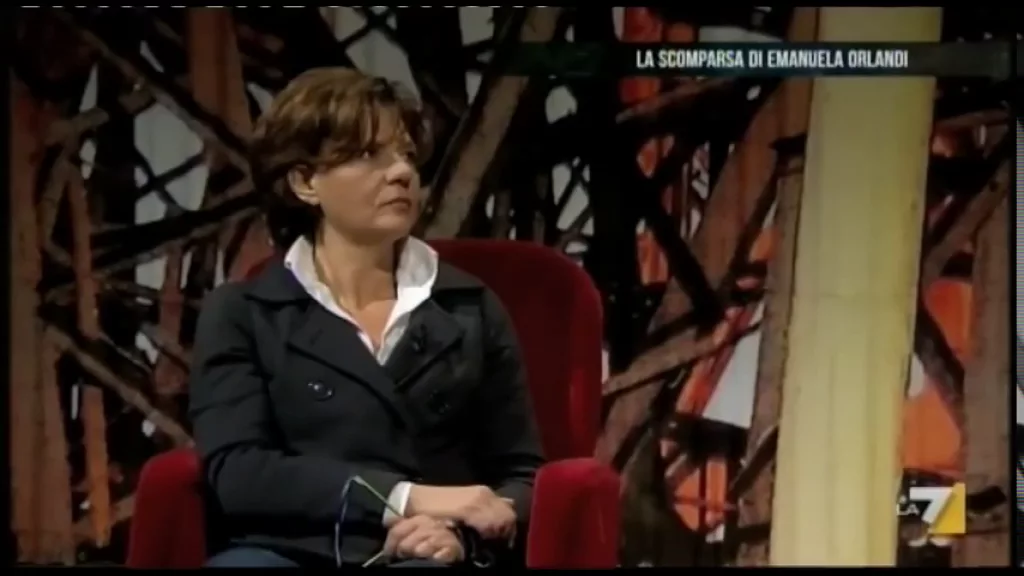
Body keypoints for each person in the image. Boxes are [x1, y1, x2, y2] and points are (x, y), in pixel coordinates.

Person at [189, 67, 545, 568]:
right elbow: (239, 472)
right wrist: (404, 498)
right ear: (305, 182)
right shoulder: (243, 313)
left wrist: (463, 536)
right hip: (290, 549)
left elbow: (523, 475)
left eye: (406, 155)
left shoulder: (468, 307)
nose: (401, 173)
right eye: (368, 155)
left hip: (428, 554)